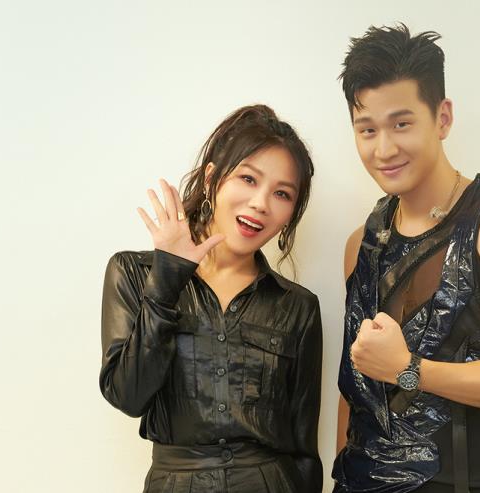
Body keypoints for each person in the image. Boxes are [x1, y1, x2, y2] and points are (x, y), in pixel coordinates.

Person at [332, 25, 480, 493]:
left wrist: (409, 369)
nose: (384, 149)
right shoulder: (363, 243)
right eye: (367, 129)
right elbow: (357, 387)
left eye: (401, 124)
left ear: (442, 118)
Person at [99, 105, 323, 493]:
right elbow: (128, 396)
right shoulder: (134, 273)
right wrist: (167, 280)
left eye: (282, 193)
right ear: (211, 177)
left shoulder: (297, 306)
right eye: (248, 179)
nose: (261, 203)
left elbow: (303, 448)